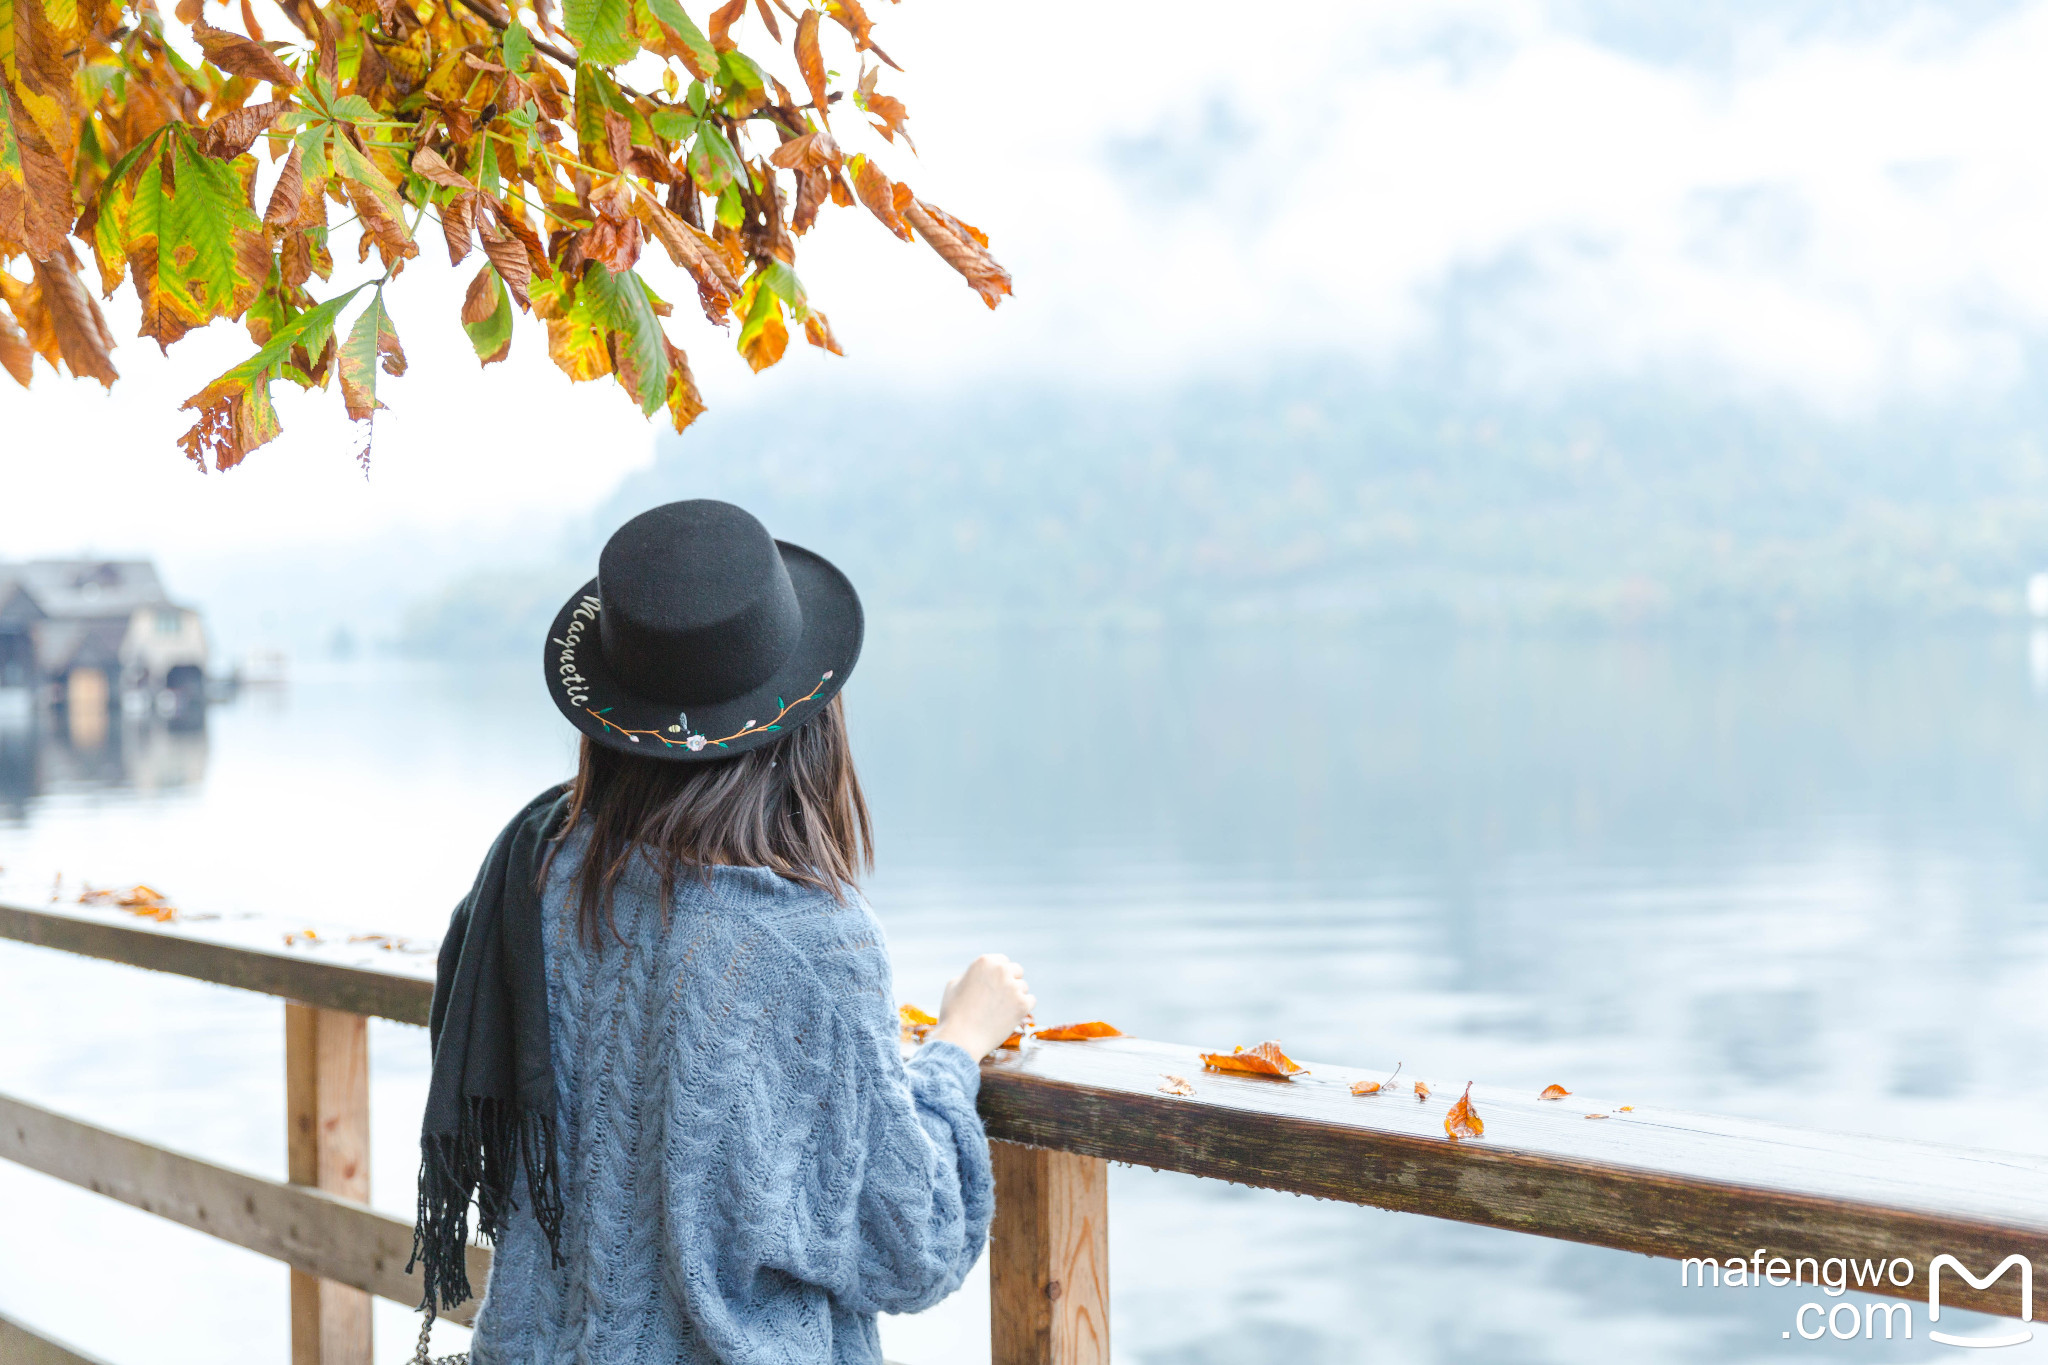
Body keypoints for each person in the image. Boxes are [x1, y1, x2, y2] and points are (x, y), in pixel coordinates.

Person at [411, 499, 1034, 1364]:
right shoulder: (809, 943)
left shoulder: (534, 876)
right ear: (807, 715)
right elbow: (909, 1239)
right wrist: (957, 1048)